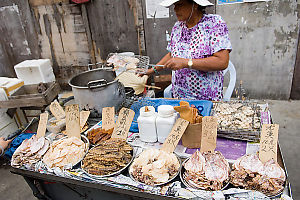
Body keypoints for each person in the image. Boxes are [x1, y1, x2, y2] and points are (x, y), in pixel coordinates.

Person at [141, 0, 232, 101]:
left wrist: (186, 62)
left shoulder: (214, 23)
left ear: (195, 4)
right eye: (174, 5)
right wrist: (151, 71)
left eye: (180, 4)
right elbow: (172, 54)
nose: (175, 9)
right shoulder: (178, 27)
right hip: (180, 96)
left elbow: (222, 62)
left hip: (205, 98)